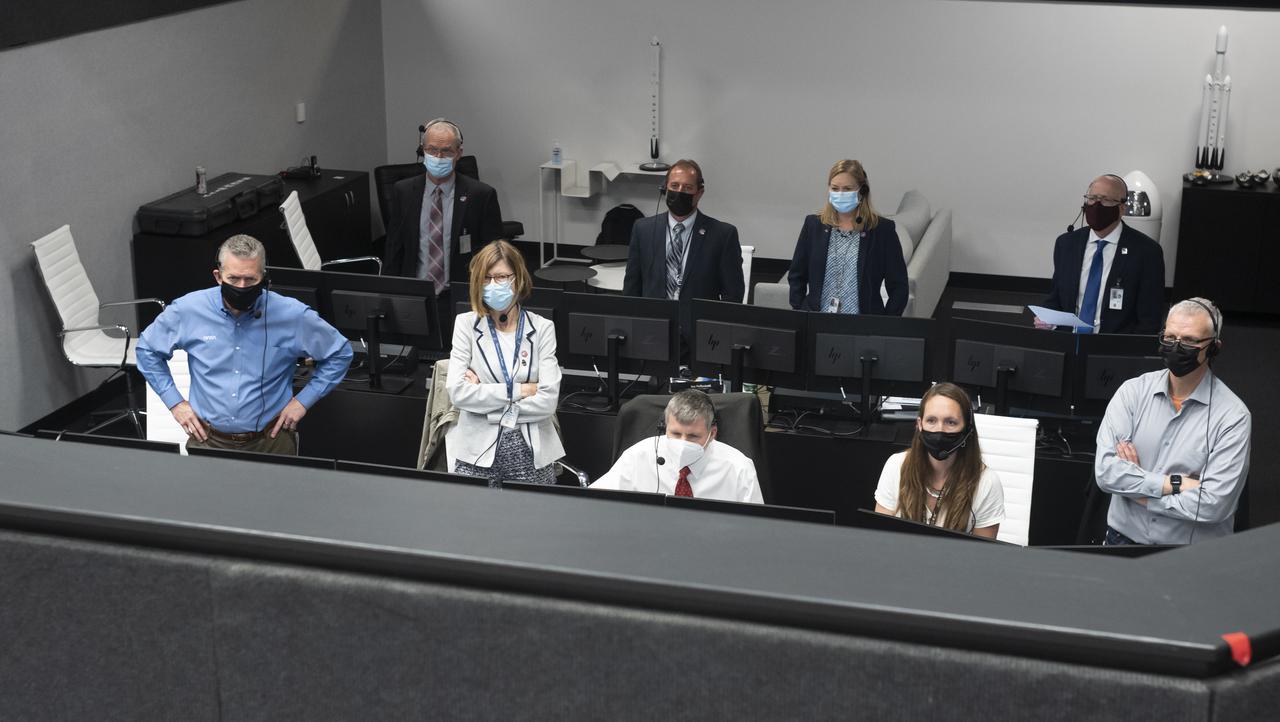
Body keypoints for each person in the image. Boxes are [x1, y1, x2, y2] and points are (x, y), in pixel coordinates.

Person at [136, 235, 353, 455]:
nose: (241, 286)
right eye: (233, 279)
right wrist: (175, 404)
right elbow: (147, 350)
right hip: (209, 440)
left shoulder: (292, 315)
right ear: (218, 277)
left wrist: (303, 401)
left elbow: (340, 353)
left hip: (272, 440)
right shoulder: (188, 310)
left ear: (265, 278)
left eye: (250, 280)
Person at [1094, 298, 1251, 545]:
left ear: (1214, 348)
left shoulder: (1233, 416)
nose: (1176, 347)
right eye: (1169, 337)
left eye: (1189, 340)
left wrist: (1139, 491)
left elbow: (1214, 504)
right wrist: (1176, 483)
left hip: (1189, 557)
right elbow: (1106, 474)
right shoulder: (1132, 393)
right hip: (1121, 541)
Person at [446, 240, 563, 487]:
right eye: (486, 279)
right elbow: (457, 393)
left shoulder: (542, 329)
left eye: (501, 277)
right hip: (475, 454)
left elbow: (548, 402)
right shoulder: (466, 325)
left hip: (531, 453)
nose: (493, 285)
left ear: (518, 278)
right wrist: (522, 390)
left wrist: (483, 401)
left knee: (532, 523)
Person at [1038, 174, 1165, 334]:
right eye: (1092, 198)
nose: (1096, 205)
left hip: (1113, 348)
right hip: (1068, 342)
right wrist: (1048, 318)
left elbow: (1149, 319)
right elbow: (1056, 297)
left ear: (1122, 207)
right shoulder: (1067, 244)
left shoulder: (1146, 252)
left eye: (1105, 200)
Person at [874, 382, 1004, 538]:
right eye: (931, 420)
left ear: (967, 429)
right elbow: (881, 540)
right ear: (919, 425)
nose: (940, 430)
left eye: (951, 422)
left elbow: (983, 556)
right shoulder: (896, 466)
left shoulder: (987, 482)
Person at [383, 118, 504, 283]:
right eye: (431, 150)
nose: (438, 157)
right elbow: (394, 248)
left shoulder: (481, 195)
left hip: (463, 292)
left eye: (447, 151)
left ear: (459, 153)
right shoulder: (403, 192)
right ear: (422, 151)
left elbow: (494, 253)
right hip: (417, 291)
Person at [591, 390, 763, 503]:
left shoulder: (738, 468)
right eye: (675, 434)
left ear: (713, 433)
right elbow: (594, 501)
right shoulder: (638, 456)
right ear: (664, 428)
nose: (683, 442)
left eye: (693, 436)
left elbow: (756, 528)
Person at [788, 159, 908, 315]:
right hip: (816, 322)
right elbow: (797, 274)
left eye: (847, 189)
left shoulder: (882, 230)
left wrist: (884, 324)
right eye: (835, 188)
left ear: (862, 191)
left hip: (863, 326)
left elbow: (899, 286)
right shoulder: (813, 225)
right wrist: (800, 309)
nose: (840, 194)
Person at [623, 159, 744, 305]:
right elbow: (631, 288)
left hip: (698, 324)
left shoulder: (723, 235)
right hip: (654, 322)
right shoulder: (643, 229)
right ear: (664, 189)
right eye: (674, 185)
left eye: (687, 187)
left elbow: (733, 295)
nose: (680, 191)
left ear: (699, 193)